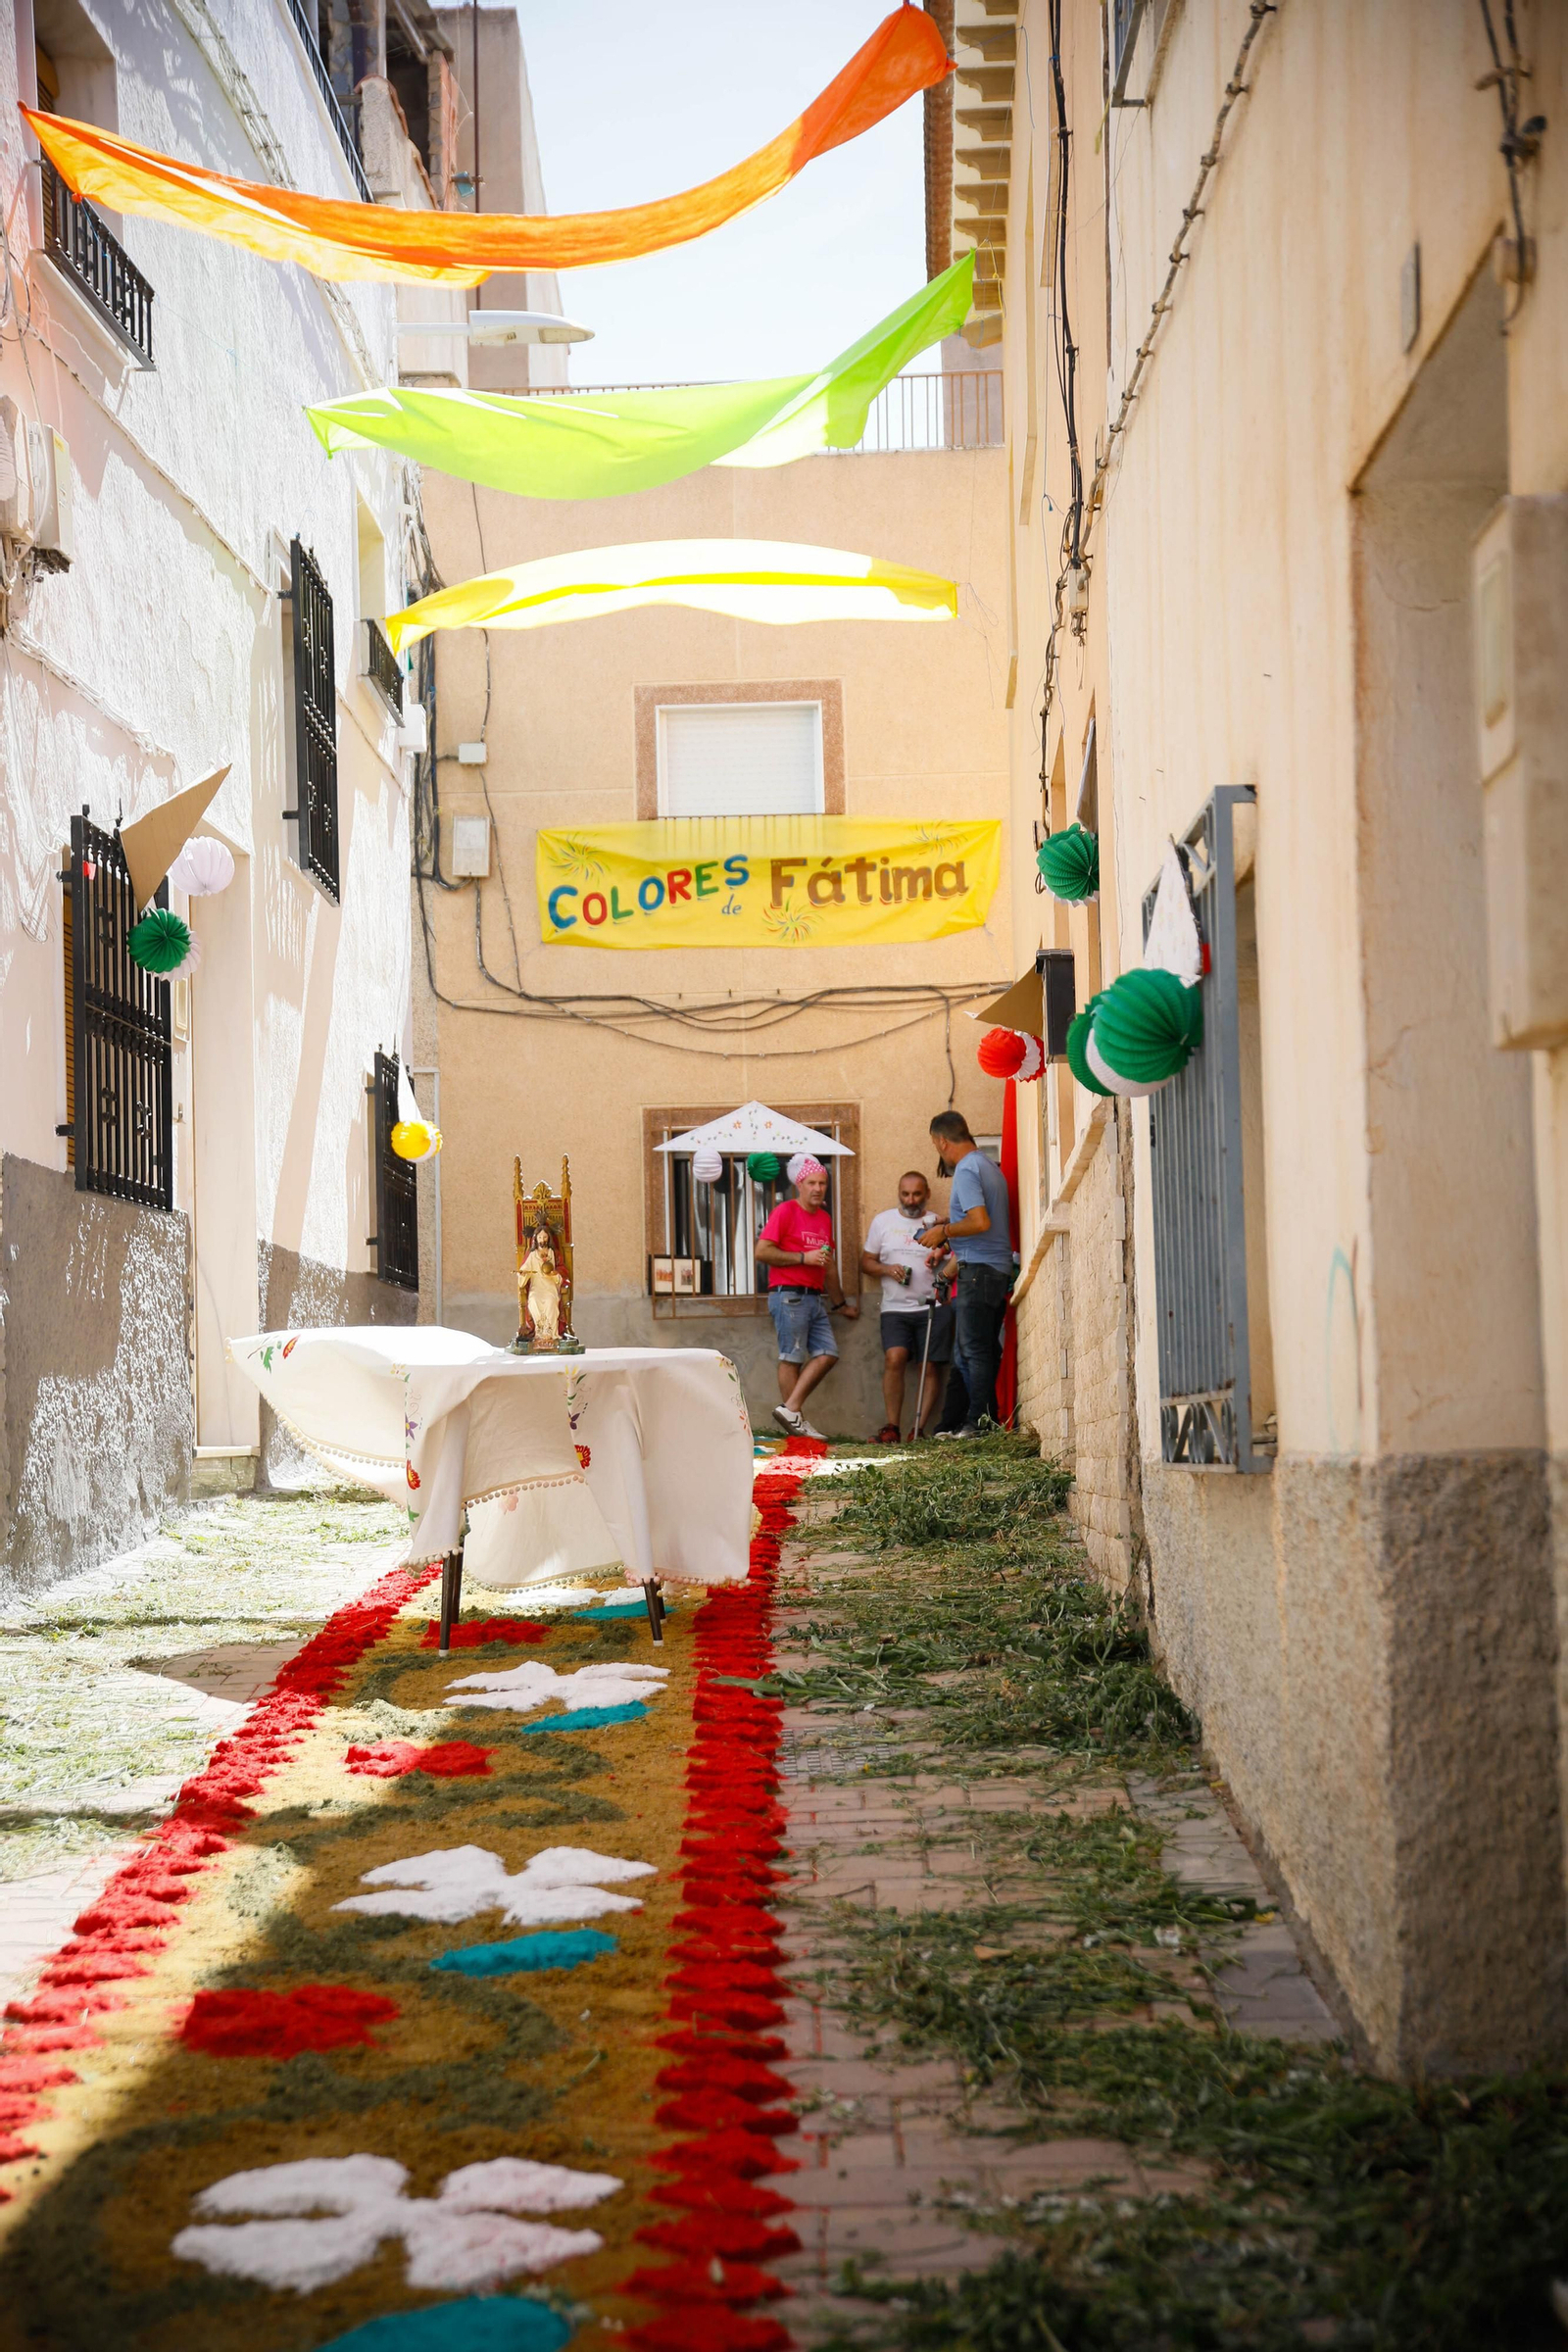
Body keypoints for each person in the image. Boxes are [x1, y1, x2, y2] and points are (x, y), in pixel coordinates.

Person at [917, 1111, 1013, 1438]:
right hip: (991, 1269)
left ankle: (980, 1423)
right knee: (975, 1350)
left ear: (942, 1141)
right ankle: (978, 1421)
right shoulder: (987, 1165)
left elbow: (980, 1222)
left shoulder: (967, 1169)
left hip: (979, 1271)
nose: (938, 1151)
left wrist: (943, 1231)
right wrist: (949, 1225)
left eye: (936, 1145)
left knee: (973, 1351)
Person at [755, 1157, 859, 1438]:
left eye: (822, 1183)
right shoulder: (785, 1211)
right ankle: (796, 1423)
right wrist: (803, 1257)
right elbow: (762, 1252)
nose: (817, 1188)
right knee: (792, 1358)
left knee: (828, 1353)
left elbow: (828, 1266)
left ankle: (791, 1411)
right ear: (799, 1185)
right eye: (811, 1183)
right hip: (788, 1295)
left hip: (815, 1298)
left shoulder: (824, 1218)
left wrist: (840, 1304)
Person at [861, 1171, 955, 1442]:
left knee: (930, 1367)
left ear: (927, 1194)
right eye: (905, 1194)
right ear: (898, 1193)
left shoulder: (938, 1224)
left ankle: (918, 1429)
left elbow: (955, 1256)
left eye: (916, 1194)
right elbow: (865, 1262)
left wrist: (940, 1252)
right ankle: (892, 1427)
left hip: (933, 1306)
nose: (910, 1199)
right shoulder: (883, 1222)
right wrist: (887, 1269)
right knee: (895, 1358)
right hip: (894, 1308)